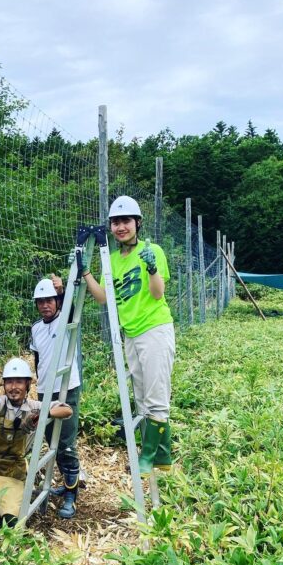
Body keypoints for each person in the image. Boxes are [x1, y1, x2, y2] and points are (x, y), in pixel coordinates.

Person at [82, 196, 175, 475]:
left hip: (154, 329)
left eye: (125, 221)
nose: (121, 227)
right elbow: (103, 298)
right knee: (143, 399)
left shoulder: (152, 250)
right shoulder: (111, 260)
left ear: (137, 223)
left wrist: (152, 268)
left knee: (157, 397)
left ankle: (147, 458)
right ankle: (163, 458)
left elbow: (158, 293)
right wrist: (85, 271)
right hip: (131, 334)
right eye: (115, 222)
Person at [0, 358, 72, 527]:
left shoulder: (35, 406)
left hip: (14, 474)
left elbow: (67, 410)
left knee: (11, 522)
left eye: (19, 382)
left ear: (28, 385)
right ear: (4, 385)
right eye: (9, 382)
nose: (14, 387)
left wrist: (40, 415)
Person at [30, 278, 82, 518]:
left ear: (57, 301)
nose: (45, 305)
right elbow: (38, 359)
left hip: (67, 388)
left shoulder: (66, 320)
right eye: (40, 302)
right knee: (51, 440)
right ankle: (65, 482)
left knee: (66, 443)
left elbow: (72, 308)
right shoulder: (36, 328)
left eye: (49, 300)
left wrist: (64, 290)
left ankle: (72, 494)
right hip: (45, 390)